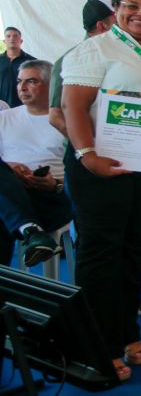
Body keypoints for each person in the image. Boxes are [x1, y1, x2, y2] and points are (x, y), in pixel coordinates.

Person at [61, 0, 141, 382]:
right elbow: (71, 106)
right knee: (100, 256)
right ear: (116, 9)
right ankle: (97, 346)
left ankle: (127, 332)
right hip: (100, 169)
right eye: (133, 6)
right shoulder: (95, 49)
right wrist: (86, 155)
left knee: (132, 252)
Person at [0, 60, 71, 266]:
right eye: (19, 81)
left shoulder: (67, 120)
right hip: (11, 193)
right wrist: (10, 166)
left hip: (50, 197)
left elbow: (84, 172)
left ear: (52, 85)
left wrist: (56, 183)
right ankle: (30, 231)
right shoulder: (4, 118)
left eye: (31, 81)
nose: (22, 87)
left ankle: (30, 230)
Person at [49, 0, 116, 137]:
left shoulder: (122, 56)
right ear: (102, 26)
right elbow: (55, 116)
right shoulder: (69, 60)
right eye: (117, 23)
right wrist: (88, 148)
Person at [0, 26, 36, 108]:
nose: (12, 38)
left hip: (23, 108)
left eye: (15, 36)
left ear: (21, 41)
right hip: (1, 108)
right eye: (8, 36)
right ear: (4, 41)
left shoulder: (32, 62)